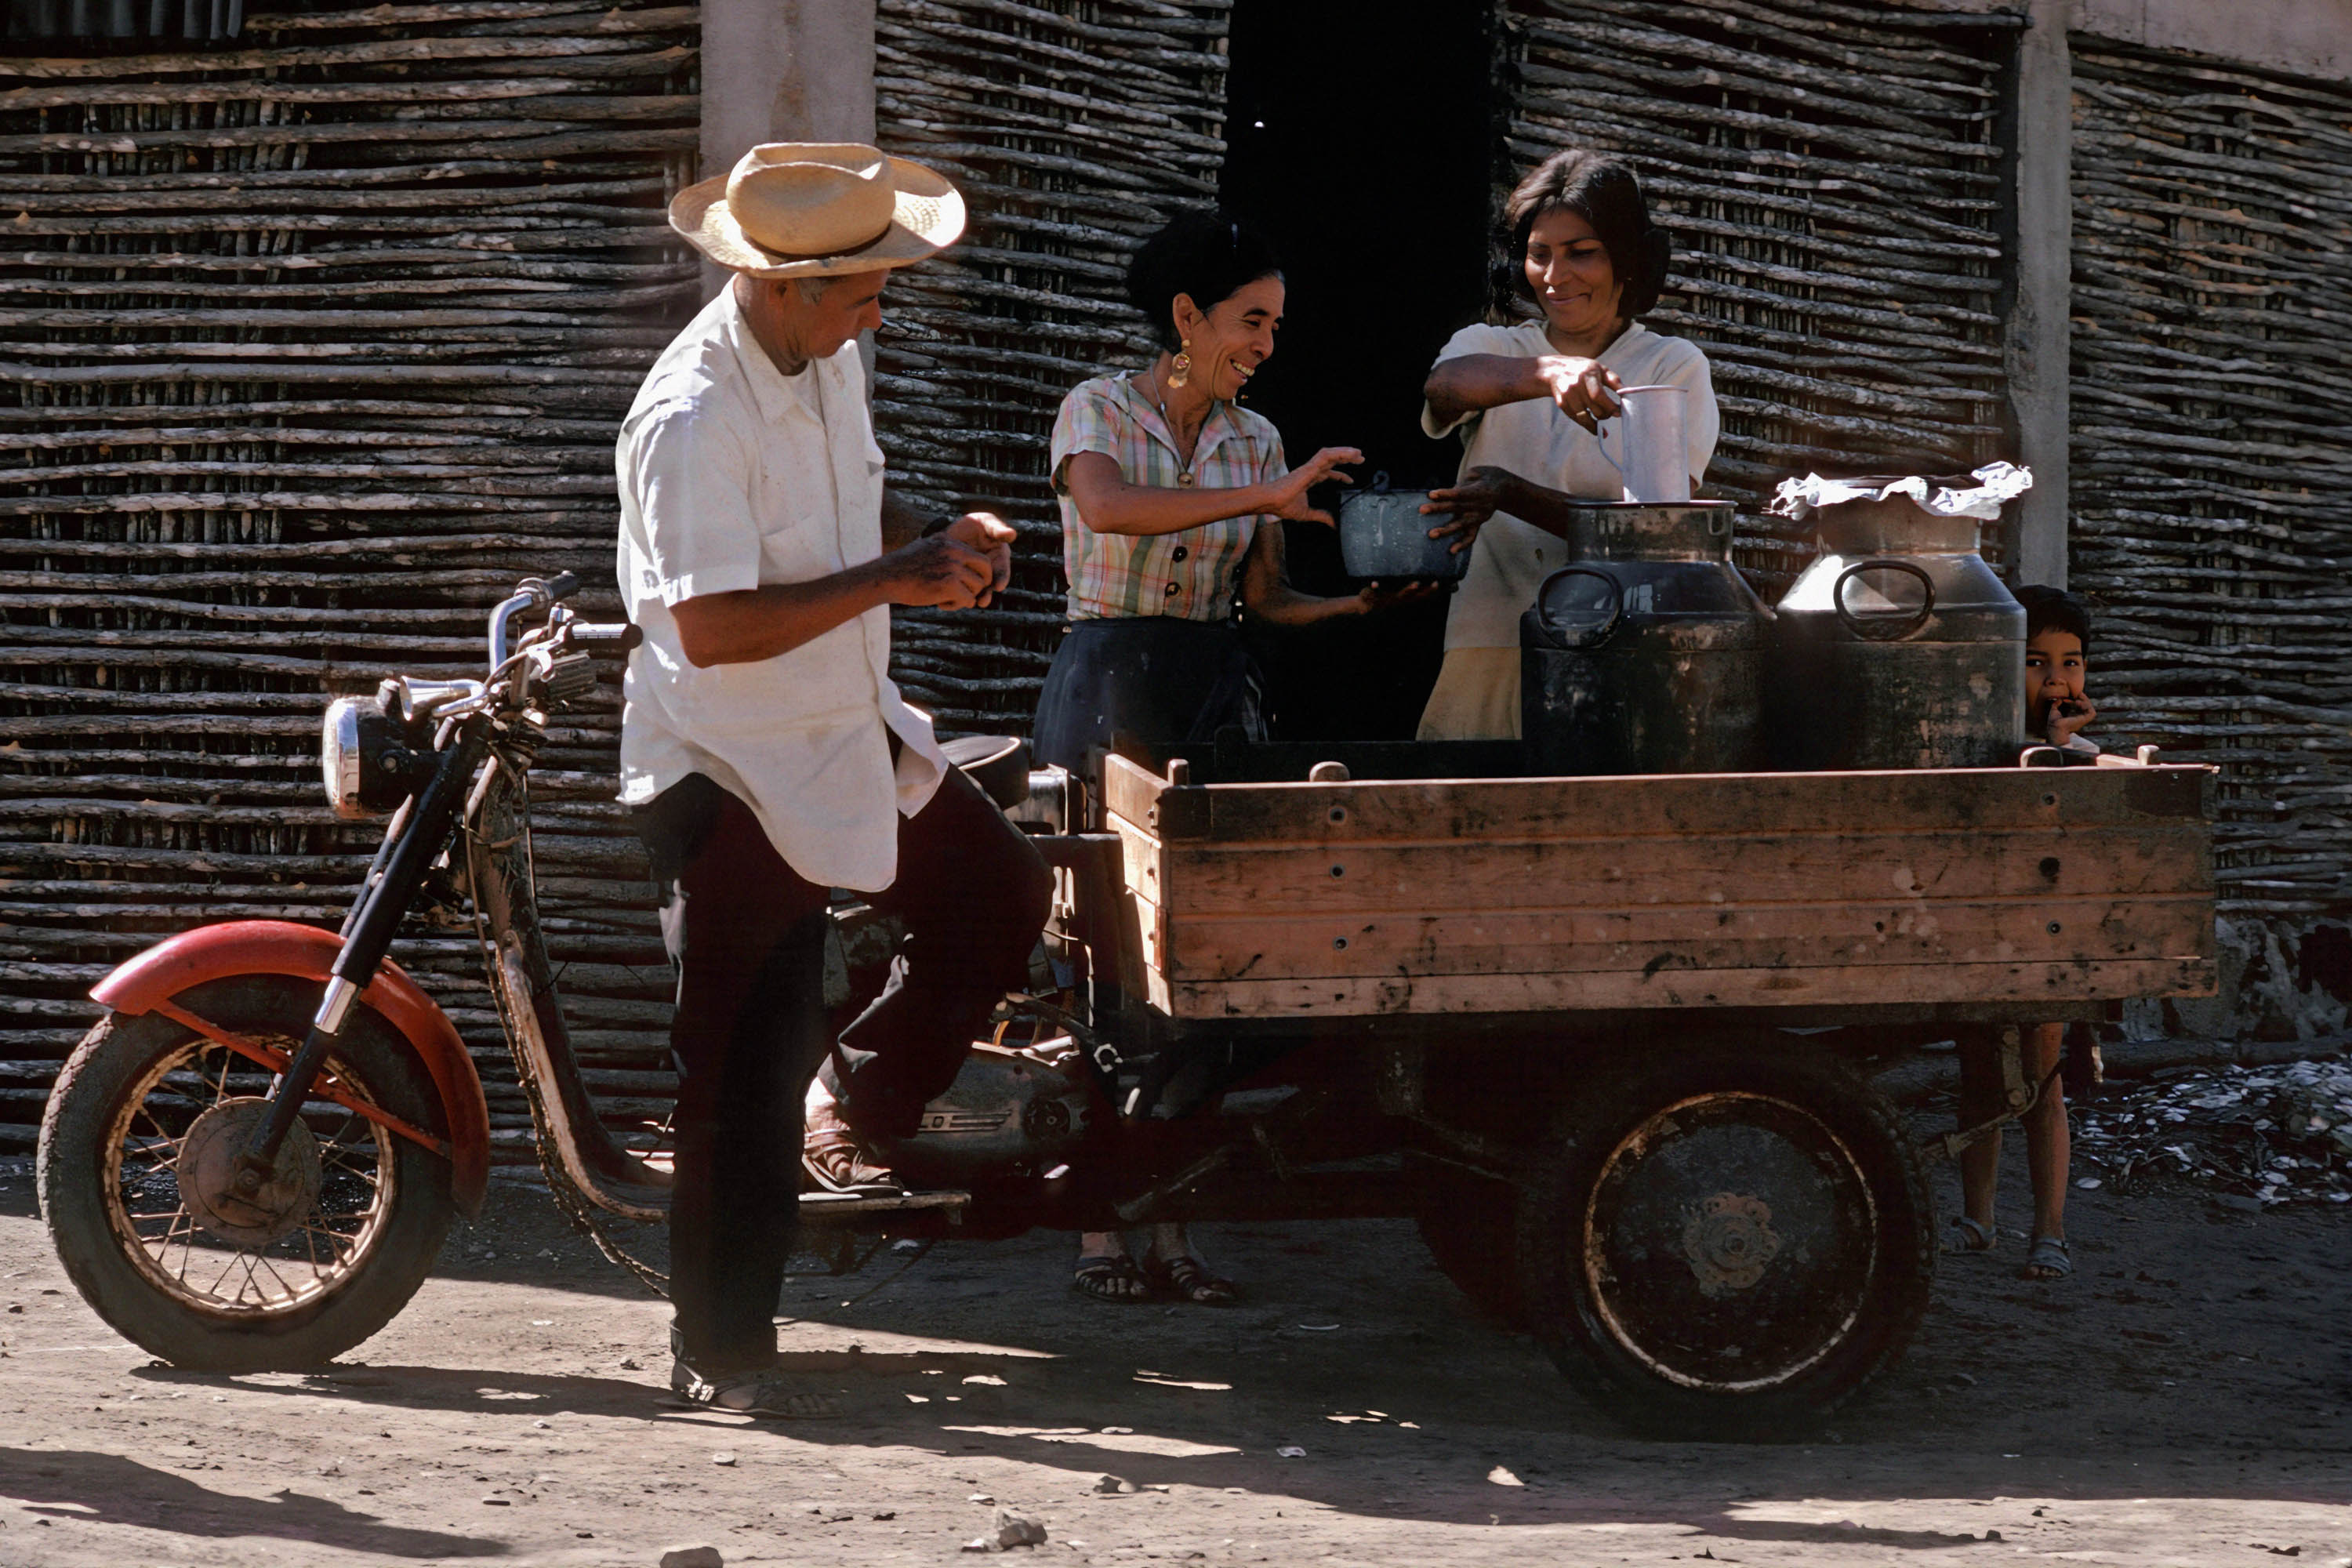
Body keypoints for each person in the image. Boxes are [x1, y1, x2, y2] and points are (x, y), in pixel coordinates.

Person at [621, 142, 1054, 1415]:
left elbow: (854, 508)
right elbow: (706, 629)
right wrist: (894, 578)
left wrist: (928, 538)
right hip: (729, 764)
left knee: (999, 892)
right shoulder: (690, 417)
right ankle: (722, 1346)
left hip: (840, 726)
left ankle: (855, 1104)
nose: (880, 311)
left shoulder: (826, 352)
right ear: (783, 285)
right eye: (865, 289)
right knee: (738, 1064)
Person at [1033, 209, 1433, 1304]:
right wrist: (1265, 496)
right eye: (1251, 320)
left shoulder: (1256, 440)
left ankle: (1174, 1228)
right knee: (1105, 957)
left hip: (1208, 696)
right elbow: (1110, 511)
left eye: (1274, 325)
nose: (1265, 343)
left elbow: (1261, 600)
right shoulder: (1097, 409)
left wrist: (1352, 607)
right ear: (1185, 316)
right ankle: (1099, 1231)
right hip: (1108, 686)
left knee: (1207, 968)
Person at [1411, 149, 1721, 740]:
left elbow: (1661, 528)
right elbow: (1445, 387)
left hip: (1617, 642)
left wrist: (1511, 496)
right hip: (1491, 637)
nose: (1556, 277)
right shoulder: (1497, 347)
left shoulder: (1670, 367)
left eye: (1582, 254)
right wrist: (1548, 373)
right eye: (1539, 255)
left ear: (1627, 259)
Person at [1947, 586, 2097, 1281]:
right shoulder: (1978, 737)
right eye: (2036, 662)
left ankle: (2050, 1231)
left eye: (2071, 662)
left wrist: (2063, 743)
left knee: (2042, 1083)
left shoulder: (2083, 752)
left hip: (2049, 933)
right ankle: (1978, 1219)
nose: (2056, 678)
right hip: (1984, 930)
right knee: (1979, 1074)